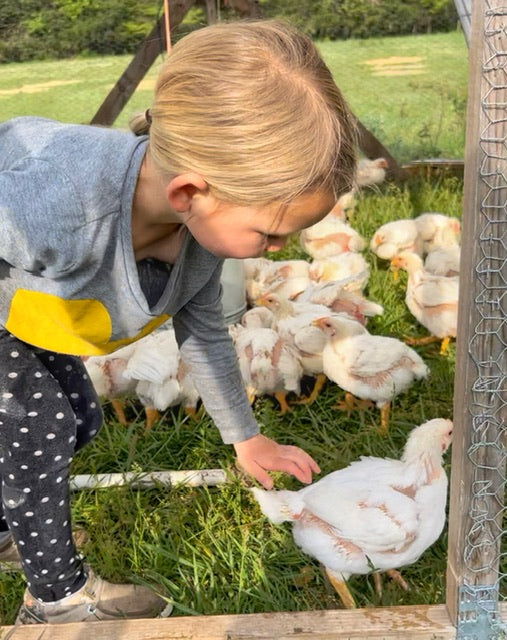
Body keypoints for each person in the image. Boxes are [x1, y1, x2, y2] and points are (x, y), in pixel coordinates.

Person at [0, 19, 357, 625]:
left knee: (82, 420)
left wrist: (245, 437)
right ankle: (58, 599)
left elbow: (206, 334)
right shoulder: (53, 207)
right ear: (191, 193)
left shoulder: (200, 240)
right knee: (40, 428)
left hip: (37, 314)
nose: (277, 249)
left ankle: (11, 530)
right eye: (270, 233)